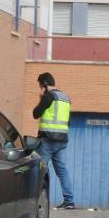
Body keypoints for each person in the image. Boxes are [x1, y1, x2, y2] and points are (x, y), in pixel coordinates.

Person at [32, 72, 75, 209]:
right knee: (62, 171)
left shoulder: (49, 96)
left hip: (48, 140)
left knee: (40, 170)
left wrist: (41, 98)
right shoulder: (66, 98)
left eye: (40, 86)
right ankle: (69, 201)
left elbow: (35, 114)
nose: (40, 89)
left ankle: (35, 201)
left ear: (45, 84)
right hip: (62, 141)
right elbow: (68, 121)